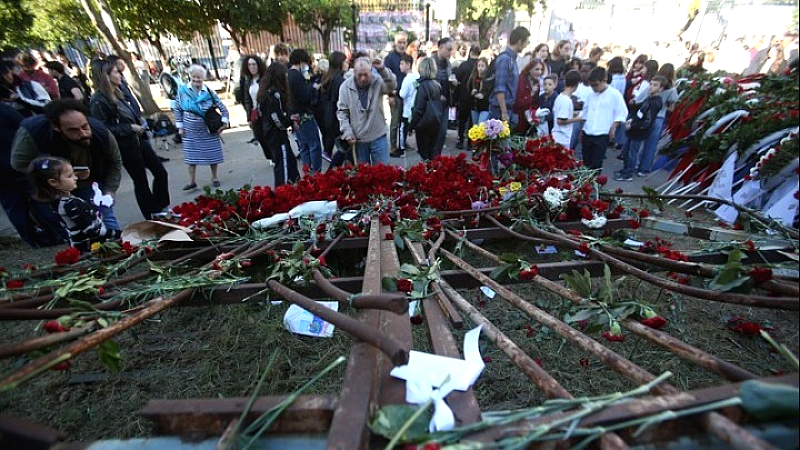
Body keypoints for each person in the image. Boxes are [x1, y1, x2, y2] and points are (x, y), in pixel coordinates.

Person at [11, 99, 123, 232]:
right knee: (75, 227)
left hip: (91, 183)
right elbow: (19, 164)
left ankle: (117, 246)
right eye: (73, 130)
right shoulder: (33, 134)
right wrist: (57, 173)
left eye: (85, 126)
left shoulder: (101, 134)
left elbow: (115, 162)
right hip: (57, 188)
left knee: (105, 219)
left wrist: (110, 190)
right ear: (56, 127)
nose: (83, 134)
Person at [89, 59, 170, 220]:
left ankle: (159, 206)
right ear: (106, 75)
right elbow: (101, 129)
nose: (120, 75)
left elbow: (131, 114)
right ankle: (152, 214)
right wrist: (129, 128)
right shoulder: (98, 100)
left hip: (138, 140)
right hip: (124, 145)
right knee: (140, 180)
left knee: (160, 172)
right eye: (116, 72)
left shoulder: (118, 93)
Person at [27, 156, 120, 252]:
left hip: (79, 246)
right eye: (70, 176)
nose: (75, 178)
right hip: (92, 248)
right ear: (53, 182)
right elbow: (92, 231)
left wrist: (92, 217)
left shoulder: (57, 203)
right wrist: (117, 234)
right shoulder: (72, 204)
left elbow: (77, 222)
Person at [173, 64, 229, 190]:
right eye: (194, 78)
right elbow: (177, 109)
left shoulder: (209, 92)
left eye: (199, 78)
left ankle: (214, 177)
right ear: (190, 77)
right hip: (189, 130)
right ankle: (192, 181)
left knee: (212, 154)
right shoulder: (182, 91)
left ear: (203, 78)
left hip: (208, 129)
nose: (197, 80)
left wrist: (224, 123)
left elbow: (223, 108)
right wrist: (180, 127)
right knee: (191, 157)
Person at [337, 57, 396, 165]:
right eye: (359, 75)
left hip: (378, 135)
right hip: (358, 139)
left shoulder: (377, 81)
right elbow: (342, 112)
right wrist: (347, 132)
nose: (363, 78)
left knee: (383, 174)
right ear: (354, 72)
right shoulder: (345, 87)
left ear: (370, 71)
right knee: (363, 178)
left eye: (366, 74)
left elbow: (392, 85)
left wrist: (382, 69)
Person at [257, 62, 300, 186]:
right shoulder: (273, 95)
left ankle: (295, 185)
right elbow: (277, 120)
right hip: (276, 135)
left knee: (290, 162)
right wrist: (290, 120)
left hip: (272, 133)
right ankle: (284, 191)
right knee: (283, 165)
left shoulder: (266, 92)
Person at [615, 75, 664, 181]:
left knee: (633, 153)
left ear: (661, 88)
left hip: (639, 131)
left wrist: (633, 125)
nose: (651, 87)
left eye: (655, 85)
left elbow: (647, 121)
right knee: (627, 151)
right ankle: (625, 169)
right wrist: (632, 120)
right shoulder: (649, 98)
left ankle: (628, 174)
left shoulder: (655, 102)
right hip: (634, 129)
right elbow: (640, 112)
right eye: (651, 84)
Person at [579, 67, 627, 171]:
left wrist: (613, 127)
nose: (593, 88)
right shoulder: (591, 95)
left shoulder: (615, 94)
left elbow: (622, 112)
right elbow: (585, 112)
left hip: (602, 133)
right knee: (585, 160)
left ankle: (594, 183)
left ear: (604, 81)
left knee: (596, 162)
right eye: (591, 85)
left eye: (596, 85)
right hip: (588, 131)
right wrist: (582, 130)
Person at [287, 49, 324, 173]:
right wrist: (314, 88)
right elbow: (304, 96)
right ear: (301, 61)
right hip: (304, 115)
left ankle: (307, 171)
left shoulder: (288, 74)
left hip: (295, 115)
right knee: (314, 145)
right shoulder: (296, 76)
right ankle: (316, 172)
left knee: (303, 146)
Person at [639, 64, 678, 176]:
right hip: (659, 116)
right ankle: (644, 168)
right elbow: (672, 105)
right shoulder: (671, 89)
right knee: (651, 144)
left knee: (641, 141)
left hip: (647, 114)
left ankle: (637, 164)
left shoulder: (654, 83)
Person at [489, 26, 531, 129]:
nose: (527, 45)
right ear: (520, 42)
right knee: (497, 143)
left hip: (507, 109)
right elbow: (500, 88)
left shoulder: (512, 59)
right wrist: (504, 112)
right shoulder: (505, 59)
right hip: (500, 110)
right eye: (527, 42)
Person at [408, 57, 441, 161]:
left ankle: (426, 174)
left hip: (423, 124)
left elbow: (418, 109)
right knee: (432, 152)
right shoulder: (437, 85)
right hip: (435, 121)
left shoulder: (422, 86)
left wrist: (411, 126)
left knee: (424, 154)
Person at [320, 51, 349, 164]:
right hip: (338, 119)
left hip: (330, 117)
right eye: (345, 61)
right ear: (340, 63)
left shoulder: (329, 78)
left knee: (343, 149)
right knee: (345, 150)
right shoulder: (340, 81)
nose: (347, 63)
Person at [237, 55, 268, 157]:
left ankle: (274, 155)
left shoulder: (265, 79)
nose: (252, 67)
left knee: (269, 134)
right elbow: (247, 100)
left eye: (254, 64)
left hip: (266, 111)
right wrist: (248, 116)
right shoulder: (247, 81)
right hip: (255, 113)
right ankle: (269, 155)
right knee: (259, 135)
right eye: (249, 65)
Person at [384, 31, 409, 156]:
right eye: (400, 42)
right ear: (395, 43)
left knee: (404, 121)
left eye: (404, 42)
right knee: (394, 123)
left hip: (407, 95)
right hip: (395, 95)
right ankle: (393, 146)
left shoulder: (407, 57)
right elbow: (385, 78)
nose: (402, 45)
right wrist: (390, 95)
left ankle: (403, 142)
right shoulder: (389, 58)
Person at [454, 45, 480, 150]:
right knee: (472, 121)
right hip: (475, 97)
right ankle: (470, 141)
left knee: (462, 119)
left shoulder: (464, 65)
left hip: (463, 95)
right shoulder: (480, 65)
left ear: (470, 53)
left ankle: (460, 140)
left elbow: (457, 78)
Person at [433, 37, 455, 155]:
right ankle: (430, 159)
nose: (450, 52)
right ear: (440, 47)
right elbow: (425, 81)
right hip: (433, 103)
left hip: (445, 103)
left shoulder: (448, 63)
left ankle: (437, 157)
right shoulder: (431, 62)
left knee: (442, 132)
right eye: (448, 49)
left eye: (451, 50)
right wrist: (437, 94)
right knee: (434, 132)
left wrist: (453, 83)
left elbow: (449, 78)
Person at [513, 58, 544, 134]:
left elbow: (535, 103)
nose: (539, 72)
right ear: (530, 69)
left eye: (541, 69)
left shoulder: (537, 82)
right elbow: (517, 103)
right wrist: (531, 94)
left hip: (529, 121)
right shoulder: (521, 80)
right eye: (537, 69)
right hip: (519, 121)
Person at [552, 70, 581, 148]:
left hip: (557, 136)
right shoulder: (566, 101)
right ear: (577, 84)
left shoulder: (560, 96)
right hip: (562, 137)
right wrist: (578, 119)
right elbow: (560, 121)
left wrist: (574, 113)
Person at [395, 53, 416, 157]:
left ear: (408, 65)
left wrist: (396, 92)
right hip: (415, 108)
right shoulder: (417, 76)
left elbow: (402, 94)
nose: (400, 66)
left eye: (402, 64)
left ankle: (401, 149)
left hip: (407, 109)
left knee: (402, 129)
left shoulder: (407, 79)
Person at [468, 57, 490, 129]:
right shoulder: (473, 78)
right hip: (475, 107)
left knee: (481, 127)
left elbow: (489, 91)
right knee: (475, 128)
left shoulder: (488, 79)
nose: (480, 68)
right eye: (479, 66)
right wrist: (472, 93)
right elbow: (468, 90)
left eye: (482, 66)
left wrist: (483, 95)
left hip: (485, 107)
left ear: (486, 67)